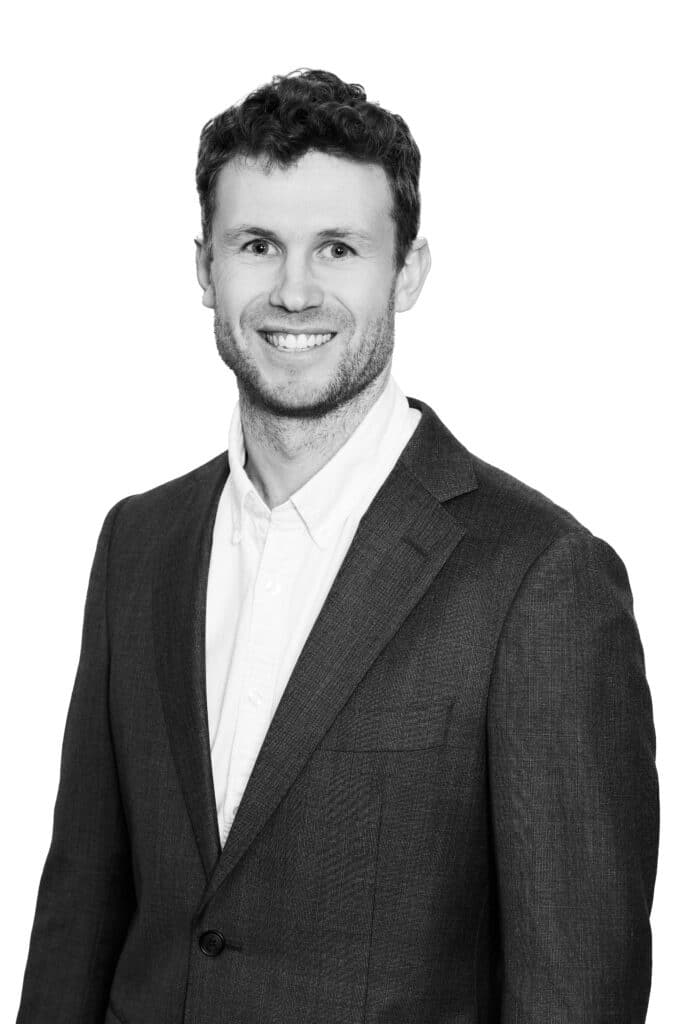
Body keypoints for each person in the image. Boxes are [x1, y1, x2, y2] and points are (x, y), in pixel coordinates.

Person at [16, 68, 659, 1024]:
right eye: (256, 246)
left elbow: (575, 991)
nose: (293, 290)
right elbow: (79, 914)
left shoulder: (539, 578)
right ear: (204, 269)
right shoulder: (138, 545)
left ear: (408, 272)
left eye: (338, 249)